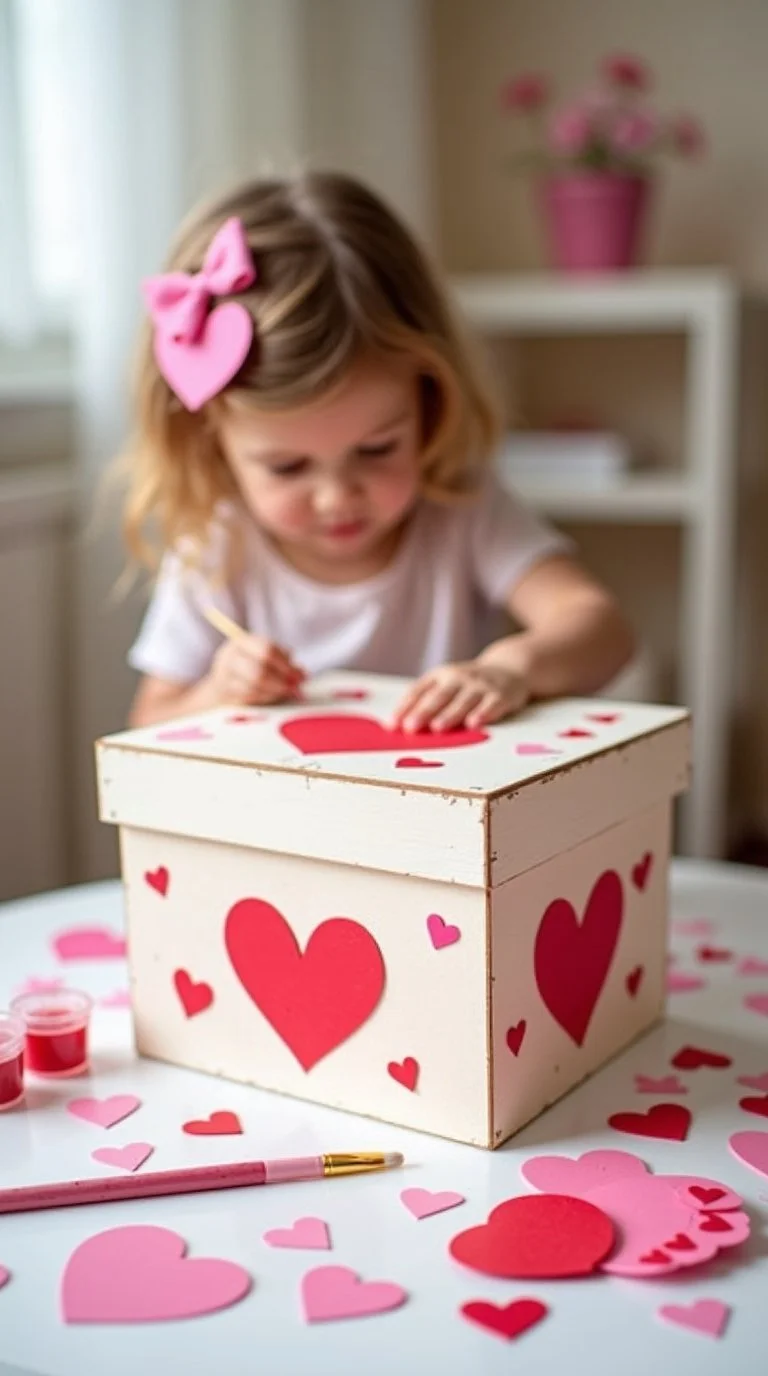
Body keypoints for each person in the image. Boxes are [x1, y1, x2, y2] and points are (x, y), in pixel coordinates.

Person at [124, 171, 633, 732]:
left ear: (430, 396)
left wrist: (511, 668)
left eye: (377, 449)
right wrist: (218, 692)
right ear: (208, 439)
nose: (337, 497)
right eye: (287, 467)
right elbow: (150, 722)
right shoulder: (218, 548)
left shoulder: (460, 507)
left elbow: (600, 628)